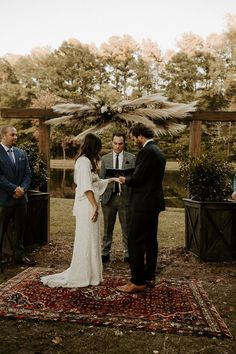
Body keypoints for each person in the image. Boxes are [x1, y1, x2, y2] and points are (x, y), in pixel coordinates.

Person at [41, 133, 119, 288]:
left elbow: (95, 182)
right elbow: (86, 188)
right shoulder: (83, 162)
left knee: (92, 238)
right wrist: (95, 207)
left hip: (91, 204)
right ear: (93, 147)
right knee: (86, 238)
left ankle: (92, 273)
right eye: (98, 147)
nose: (100, 150)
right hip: (87, 206)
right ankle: (83, 273)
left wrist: (112, 180)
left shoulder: (88, 162)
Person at [116, 123, 166, 293]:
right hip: (154, 204)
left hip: (143, 204)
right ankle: (150, 277)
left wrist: (124, 180)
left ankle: (137, 281)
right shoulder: (158, 151)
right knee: (151, 240)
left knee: (135, 240)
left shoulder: (146, 151)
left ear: (140, 136)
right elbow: (148, 177)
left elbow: (137, 179)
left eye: (133, 138)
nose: (133, 141)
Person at [0, 125, 35, 266]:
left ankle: (19, 257)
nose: (15, 137)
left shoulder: (21, 153)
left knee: (19, 230)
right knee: (0, 229)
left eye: (16, 134)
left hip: (21, 200)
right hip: (3, 199)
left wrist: (23, 189)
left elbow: (28, 174)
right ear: (3, 135)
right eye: (12, 134)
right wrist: (14, 189)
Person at [99, 132, 136, 263]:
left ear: (124, 144)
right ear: (112, 143)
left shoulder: (132, 158)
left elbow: (135, 178)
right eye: (115, 143)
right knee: (107, 228)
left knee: (127, 227)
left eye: (120, 144)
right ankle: (105, 252)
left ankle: (128, 253)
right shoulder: (105, 159)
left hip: (125, 198)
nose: (117, 146)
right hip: (109, 198)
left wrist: (126, 179)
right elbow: (100, 179)